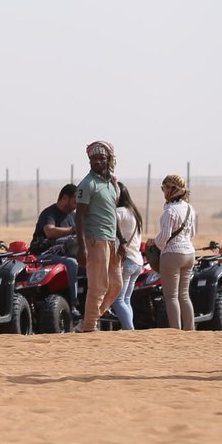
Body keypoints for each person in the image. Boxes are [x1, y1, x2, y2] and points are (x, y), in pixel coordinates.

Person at [75, 140, 123, 333]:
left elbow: (113, 214)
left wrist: (123, 241)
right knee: (98, 286)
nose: (97, 161)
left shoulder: (112, 184)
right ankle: (88, 327)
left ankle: (89, 320)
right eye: (93, 158)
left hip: (111, 240)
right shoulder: (88, 184)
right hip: (95, 240)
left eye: (101, 158)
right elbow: (79, 216)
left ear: (109, 159)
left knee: (117, 285)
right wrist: (82, 246)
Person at [155, 173, 197, 331]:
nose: (163, 191)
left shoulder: (170, 211)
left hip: (172, 254)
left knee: (171, 296)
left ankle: (176, 332)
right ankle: (190, 329)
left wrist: (154, 242)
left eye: (165, 188)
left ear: (173, 189)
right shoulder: (189, 209)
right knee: (184, 295)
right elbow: (192, 234)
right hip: (189, 253)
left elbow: (164, 238)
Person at [30, 183, 81, 311]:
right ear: (65, 198)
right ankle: (73, 304)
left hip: (66, 254)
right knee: (72, 263)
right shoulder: (49, 213)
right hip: (44, 255)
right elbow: (50, 231)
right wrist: (72, 230)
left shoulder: (74, 216)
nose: (77, 205)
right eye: (75, 201)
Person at [109, 182, 144, 330]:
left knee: (118, 299)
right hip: (137, 260)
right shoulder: (134, 213)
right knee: (126, 298)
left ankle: (130, 331)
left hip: (126, 260)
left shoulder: (118, 212)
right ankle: (129, 329)